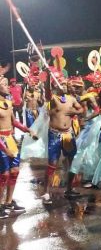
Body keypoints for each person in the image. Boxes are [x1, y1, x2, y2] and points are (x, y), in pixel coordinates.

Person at [42, 71, 84, 205]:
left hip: (68, 134)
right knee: (52, 164)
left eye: (66, 84)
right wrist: (48, 76)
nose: (65, 86)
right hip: (55, 134)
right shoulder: (53, 98)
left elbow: (81, 109)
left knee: (71, 162)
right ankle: (46, 192)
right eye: (62, 84)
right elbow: (47, 91)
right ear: (56, 85)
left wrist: (74, 112)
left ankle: (69, 188)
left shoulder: (71, 99)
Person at [0, 77, 37, 218]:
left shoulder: (8, 102)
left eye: (6, 83)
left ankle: (8, 202)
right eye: (3, 84)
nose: (7, 86)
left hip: (11, 140)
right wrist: (4, 149)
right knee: (4, 174)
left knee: (14, 171)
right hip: (1, 142)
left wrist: (28, 130)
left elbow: (14, 121)